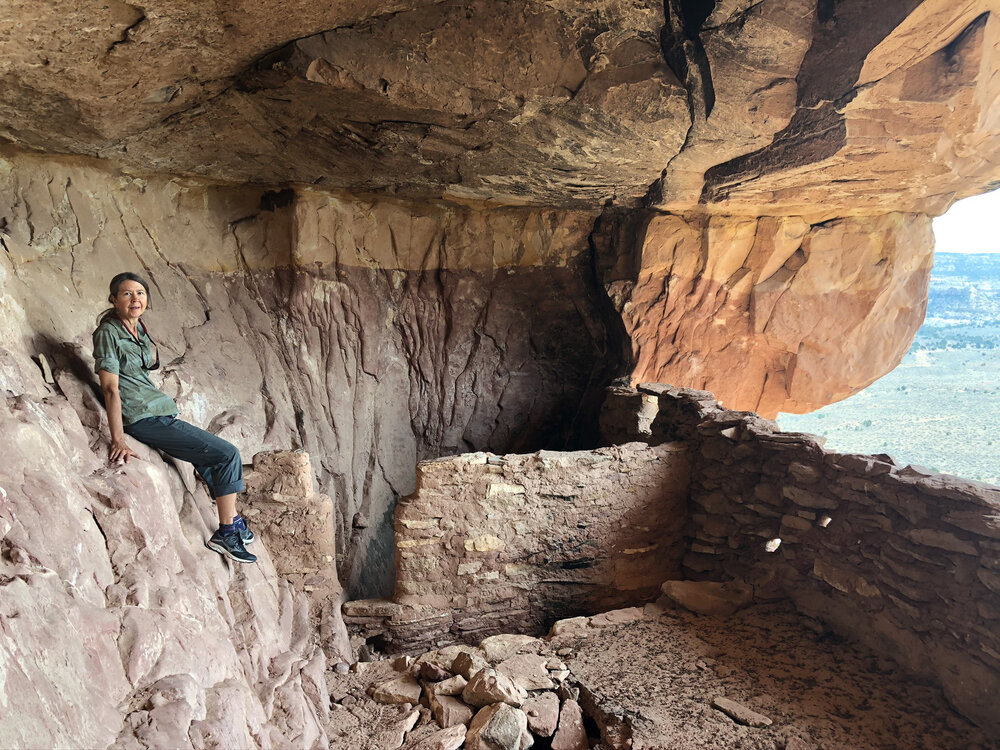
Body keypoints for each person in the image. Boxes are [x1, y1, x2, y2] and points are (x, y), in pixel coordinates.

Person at [92, 272, 257, 564]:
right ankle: (226, 533)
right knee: (227, 454)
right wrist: (117, 438)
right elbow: (109, 387)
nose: (135, 299)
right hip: (143, 417)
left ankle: (232, 519)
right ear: (113, 299)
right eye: (127, 294)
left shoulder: (138, 328)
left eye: (140, 293)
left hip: (158, 410)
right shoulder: (108, 332)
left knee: (209, 460)